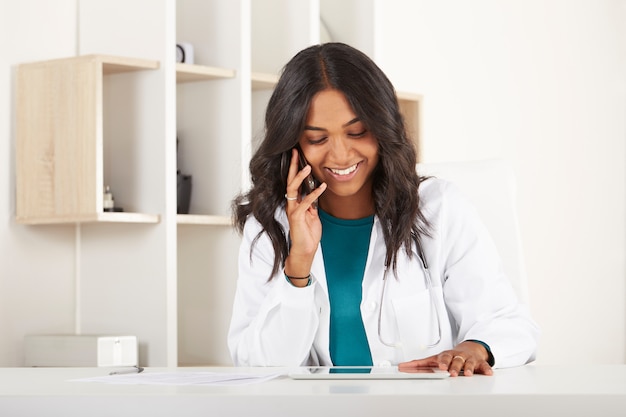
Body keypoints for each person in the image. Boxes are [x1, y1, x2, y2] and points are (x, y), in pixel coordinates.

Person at [228, 42, 539, 377]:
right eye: (318, 139)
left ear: (382, 126)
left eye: (357, 132)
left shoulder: (440, 209)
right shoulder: (268, 227)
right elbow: (259, 367)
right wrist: (298, 265)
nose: (341, 155)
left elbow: (510, 325)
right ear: (293, 144)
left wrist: (474, 348)